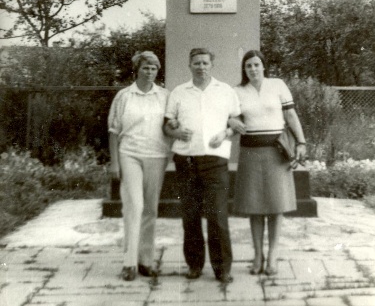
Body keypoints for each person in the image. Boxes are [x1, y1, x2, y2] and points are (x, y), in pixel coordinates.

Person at [163, 48, 241, 283]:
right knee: (190, 215)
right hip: (186, 159)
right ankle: (194, 265)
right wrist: (176, 131)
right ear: (190, 65)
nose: (201, 67)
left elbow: (238, 122)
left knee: (217, 215)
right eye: (196, 63)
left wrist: (225, 133)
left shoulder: (225, 91)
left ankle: (222, 268)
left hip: (215, 159)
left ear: (211, 65)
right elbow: (167, 125)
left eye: (205, 63)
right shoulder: (179, 92)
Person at [229, 50, 306, 276]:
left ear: (264, 66)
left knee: (276, 205)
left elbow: (290, 116)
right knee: (254, 207)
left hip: (277, 152)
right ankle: (258, 256)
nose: (253, 69)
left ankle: (272, 255)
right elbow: (230, 117)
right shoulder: (237, 91)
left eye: (256, 64)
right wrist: (231, 120)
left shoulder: (277, 85)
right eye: (248, 66)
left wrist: (301, 142)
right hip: (250, 152)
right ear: (244, 69)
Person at [108, 51, 171, 281]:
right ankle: (129, 263)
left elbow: (171, 124)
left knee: (150, 209)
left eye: (154, 68)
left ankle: (146, 261)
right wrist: (114, 163)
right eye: (146, 68)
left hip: (157, 156)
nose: (150, 72)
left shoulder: (164, 96)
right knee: (134, 206)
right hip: (130, 155)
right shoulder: (124, 96)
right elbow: (113, 131)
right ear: (137, 69)